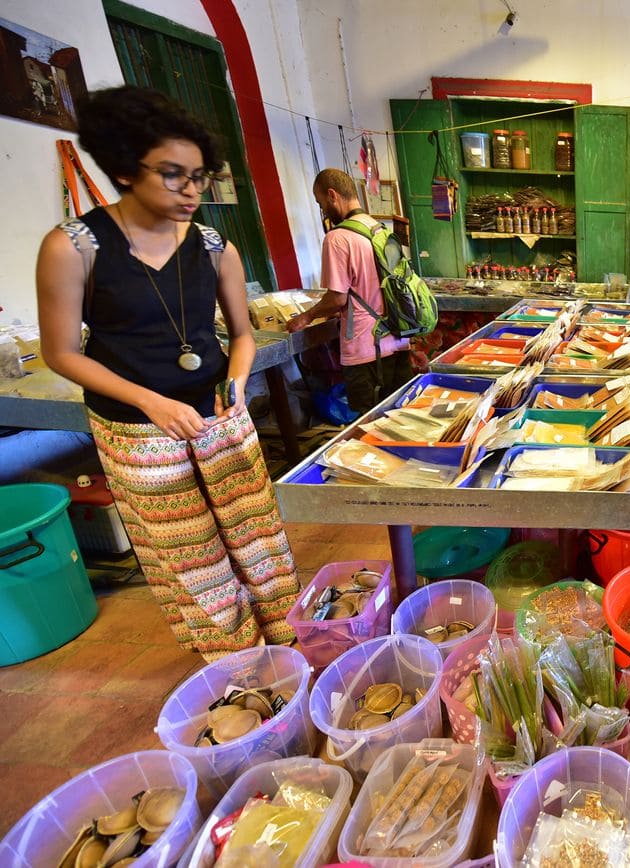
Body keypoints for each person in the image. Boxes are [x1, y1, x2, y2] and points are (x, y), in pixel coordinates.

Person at [35, 86, 300, 661]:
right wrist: (150, 402)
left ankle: (290, 645)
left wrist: (237, 379)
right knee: (190, 555)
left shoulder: (212, 247)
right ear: (127, 169)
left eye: (199, 176)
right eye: (173, 175)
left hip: (219, 413)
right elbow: (63, 353)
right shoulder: (73, 246)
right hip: (138, 429)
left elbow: (243, 334)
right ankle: (241, 669)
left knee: (258, 540)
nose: (191, 191)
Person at [287, 169, 411, 412]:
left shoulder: (338, 238)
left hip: (366, 350)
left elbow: (337, 298)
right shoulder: (381, 230)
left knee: (370, 427)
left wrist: (307, 316)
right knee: (403, 419)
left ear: (332, 195)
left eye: (320, 202)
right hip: (397, 340)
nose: (323, 210)